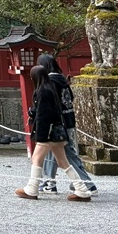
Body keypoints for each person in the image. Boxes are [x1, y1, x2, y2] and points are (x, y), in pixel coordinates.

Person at [16, 65, 92, 202]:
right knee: (63, 162)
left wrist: (40, 135)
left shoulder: (43, 91)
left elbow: (44, 116)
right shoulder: (50, 88)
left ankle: (32, 188)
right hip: (57, 131)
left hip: (48, 133)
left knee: (36, 159)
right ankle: (82, 190)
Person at [38, 54, 98, 196]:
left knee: (68, 154)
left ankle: (86, 183)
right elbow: (70, 98)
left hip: (58, 123)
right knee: (54, 152)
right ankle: (49, 182)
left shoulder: (50, 81)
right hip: (68, 120)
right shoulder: (62, 80)